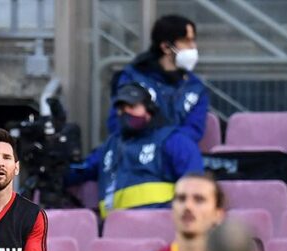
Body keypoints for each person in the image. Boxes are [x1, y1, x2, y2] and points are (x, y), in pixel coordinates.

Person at [67, 83, 205, 218]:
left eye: (132, 107)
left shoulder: (174, 141)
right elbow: (79, 171)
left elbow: (195, 185)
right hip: (113, 228)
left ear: (149, 110)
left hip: (161, 225)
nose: (125, 112)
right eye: (121, 109)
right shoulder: (110, 146)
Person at [107, 14, 209, 144]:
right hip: (135, 152)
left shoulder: (195, 87)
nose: (193, 47)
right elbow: (118, 124)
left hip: (177, 152)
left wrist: (167, 144)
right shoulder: (132, 78)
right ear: (166, 47)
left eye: (193, 40)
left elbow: (194, 130)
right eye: (186, 41)